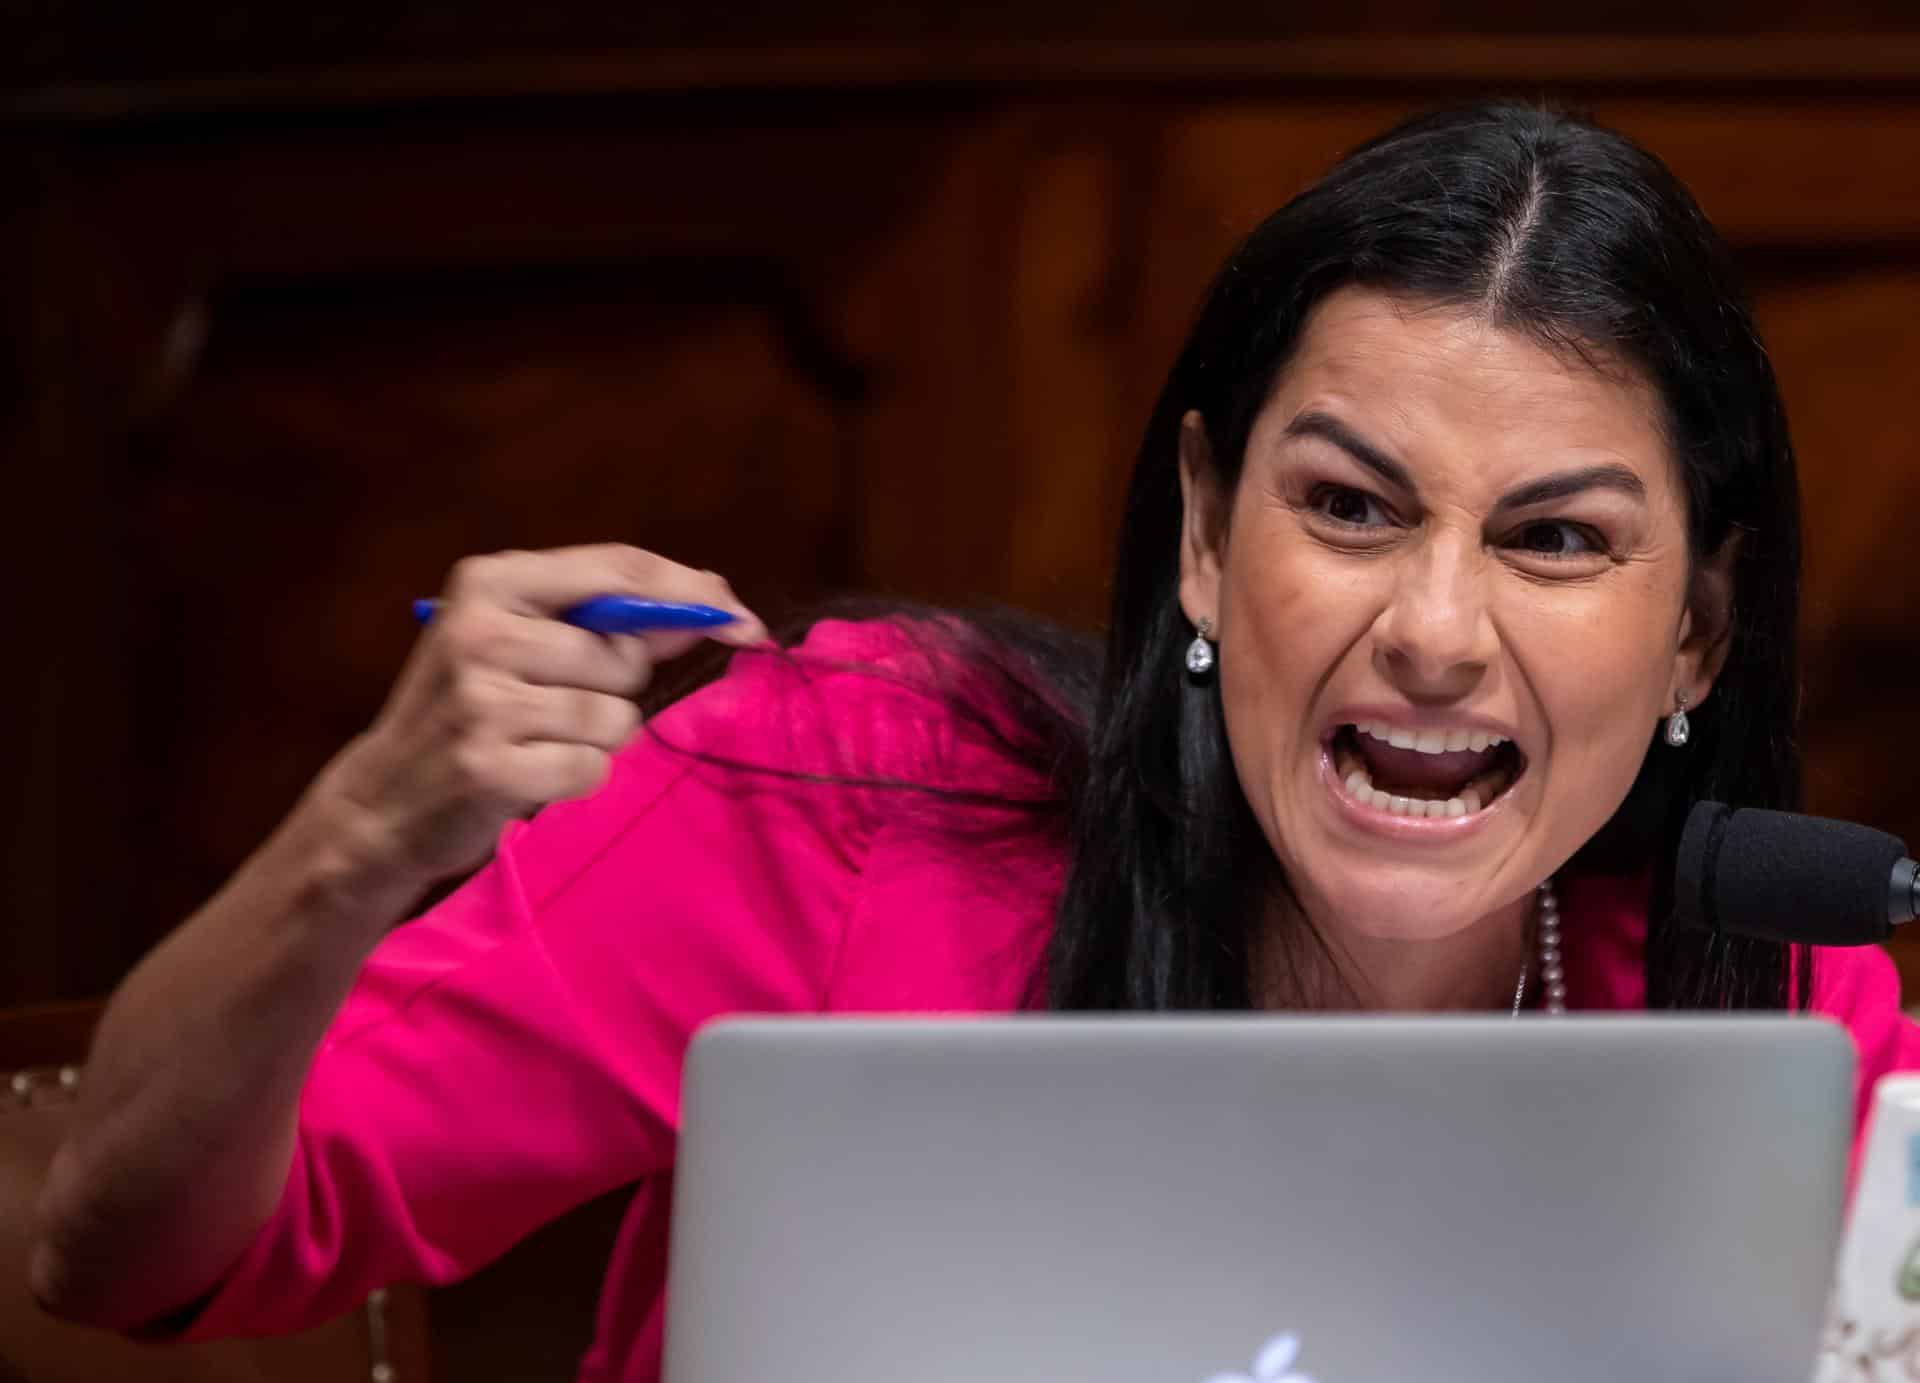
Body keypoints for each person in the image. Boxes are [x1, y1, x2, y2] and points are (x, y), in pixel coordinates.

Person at [31, 102, 1920, 1382]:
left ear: (1697, 629)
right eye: (1349, 508)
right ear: (1202, 529)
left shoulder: (1787, 1005)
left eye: (1557, 539)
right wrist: (360, 834)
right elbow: (120, 1249)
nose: (1432, 630)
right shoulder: (854, 796)